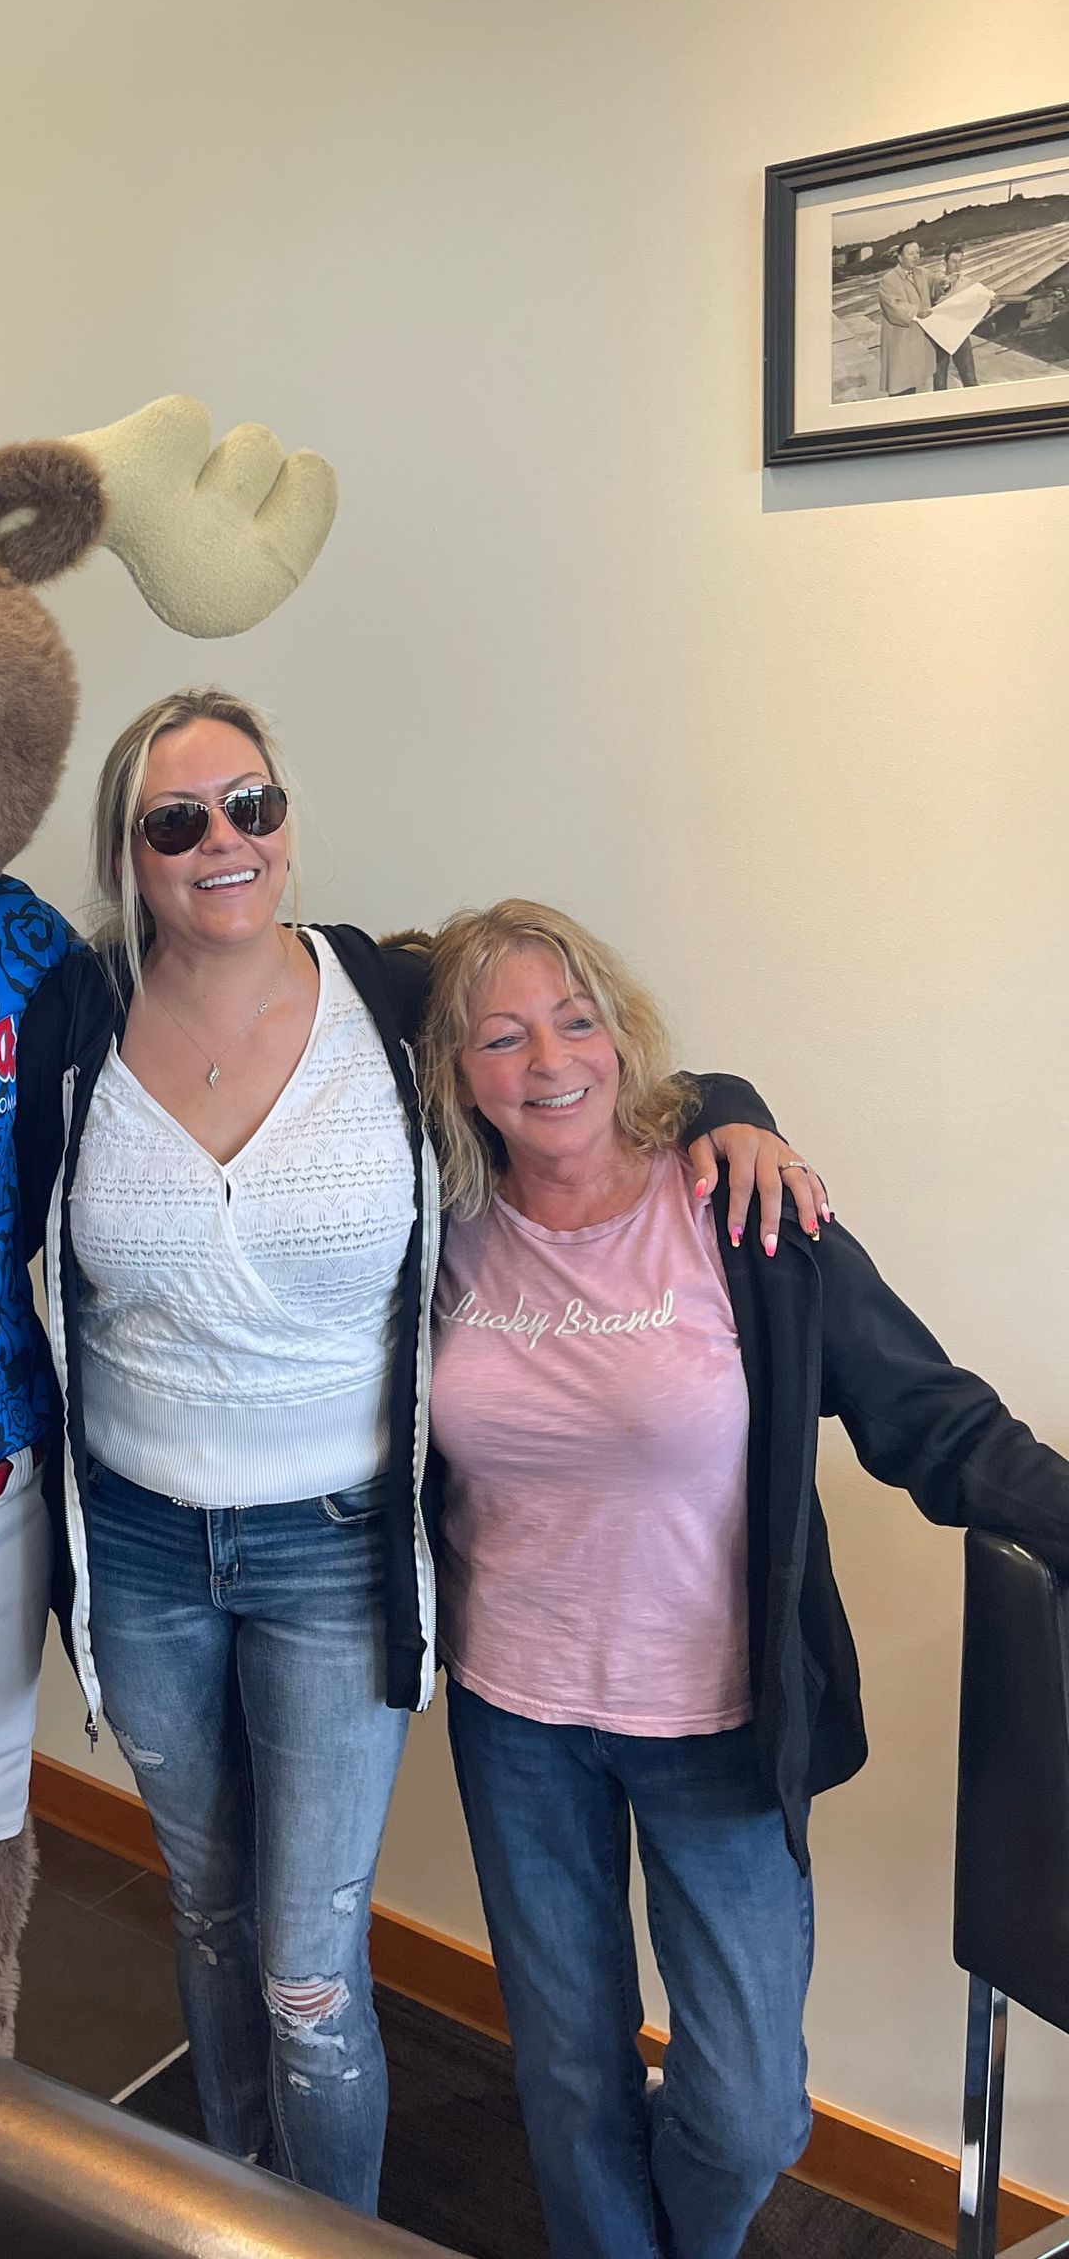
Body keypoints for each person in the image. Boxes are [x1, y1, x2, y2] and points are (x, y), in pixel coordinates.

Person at [14, 693, 816, 2214]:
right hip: (137, 1541)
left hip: (334, 1550)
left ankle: (329, 2239)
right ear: (130, 853)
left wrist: (736, 1108)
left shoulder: (387, 994)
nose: (224, 841)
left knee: (310, 1967)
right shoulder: (73, 1017)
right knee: (207, 1912)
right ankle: (226, 2204)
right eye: (178, 820)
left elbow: (561, 1051)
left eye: (251, 804)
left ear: (286, 817)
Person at [414, 898, 1069, 2259]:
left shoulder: (738, 1206)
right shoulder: (439, 1222)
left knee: (749, 2111)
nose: (551, 1061)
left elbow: (928, 1416)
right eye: (502, 1036)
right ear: (455, 1074)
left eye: (577, 1020)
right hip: (514, 1716)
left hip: (715, 1724)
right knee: (573, 2072)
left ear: (623, 1033)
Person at [875, 239, 937, 395]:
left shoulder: (921, 273)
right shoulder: (889, 280)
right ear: (900, 257)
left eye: (918, 253)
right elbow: (893, 304)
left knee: (914, 380)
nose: (916, 257)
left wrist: (944, 283)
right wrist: (916, 311)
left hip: (916, 337)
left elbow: (935, 284)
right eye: (911, 253)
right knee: (900, 384)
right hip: (899, 338)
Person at [932, 243, 989, 388]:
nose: (957, 266)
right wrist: (944, 285)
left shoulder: (968, 283)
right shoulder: (935, 281)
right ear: (945, 262)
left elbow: (978, 306)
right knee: (939, 382)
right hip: (939, 336)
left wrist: (990, 305)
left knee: (970, 379)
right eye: (953, 261)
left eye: (960, 261)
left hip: (960, 335)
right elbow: (928, 302)